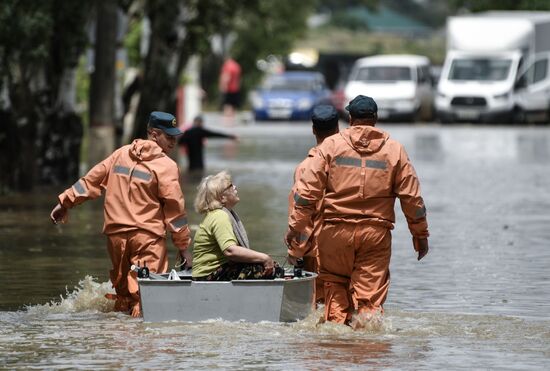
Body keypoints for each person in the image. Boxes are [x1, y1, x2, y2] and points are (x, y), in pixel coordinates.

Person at [285, 95, 429, 328]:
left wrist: (296, 228)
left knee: (334, 292)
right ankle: (367, 352)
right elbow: (413, 198)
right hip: (375, 234)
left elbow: (306, 193)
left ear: (349, 118)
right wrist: (420, 235)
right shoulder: (395, 150)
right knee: (369, 303)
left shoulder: (331, 146)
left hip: (334, 233)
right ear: (376, 118)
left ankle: (336, 348)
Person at [50, 111, 192, 317]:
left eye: (174, 137)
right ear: (153, 134)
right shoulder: (167, 166)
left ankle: (118, 343)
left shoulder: (120, 154)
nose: (173, 141)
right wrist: (183, 246)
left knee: (124, 295)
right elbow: (175, 210)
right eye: (168, 136)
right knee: (147, 296)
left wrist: (65, 202)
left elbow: (91, 181)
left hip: (116, 237)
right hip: (147, 239)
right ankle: (143, 346)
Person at [287, 105, 340, 305]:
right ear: (338, 129)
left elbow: (301, 215)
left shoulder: (305, 168)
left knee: (320, 306)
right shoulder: (349, 164)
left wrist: (295, 252)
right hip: (347, 246)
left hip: (318, 251)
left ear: (313, 130)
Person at [192, 170, 276, 281]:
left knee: (267, 264)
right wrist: (264, 257)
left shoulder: (219, 214)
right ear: (222, 197)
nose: (235, 187)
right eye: (230, 186)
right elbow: (230, 251)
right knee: (265, 268)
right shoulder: (219, 216)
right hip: (207, 275)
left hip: (212, 272)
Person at [219, 56, 242, 123]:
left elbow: (226, 76)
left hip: (229, 88)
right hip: (236, 88)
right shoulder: (237, 66)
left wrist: (223, 86)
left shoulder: (227, 66)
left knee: (227, 104)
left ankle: (227, 121)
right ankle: (232, 120)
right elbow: (239, 79)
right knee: (233, 104)